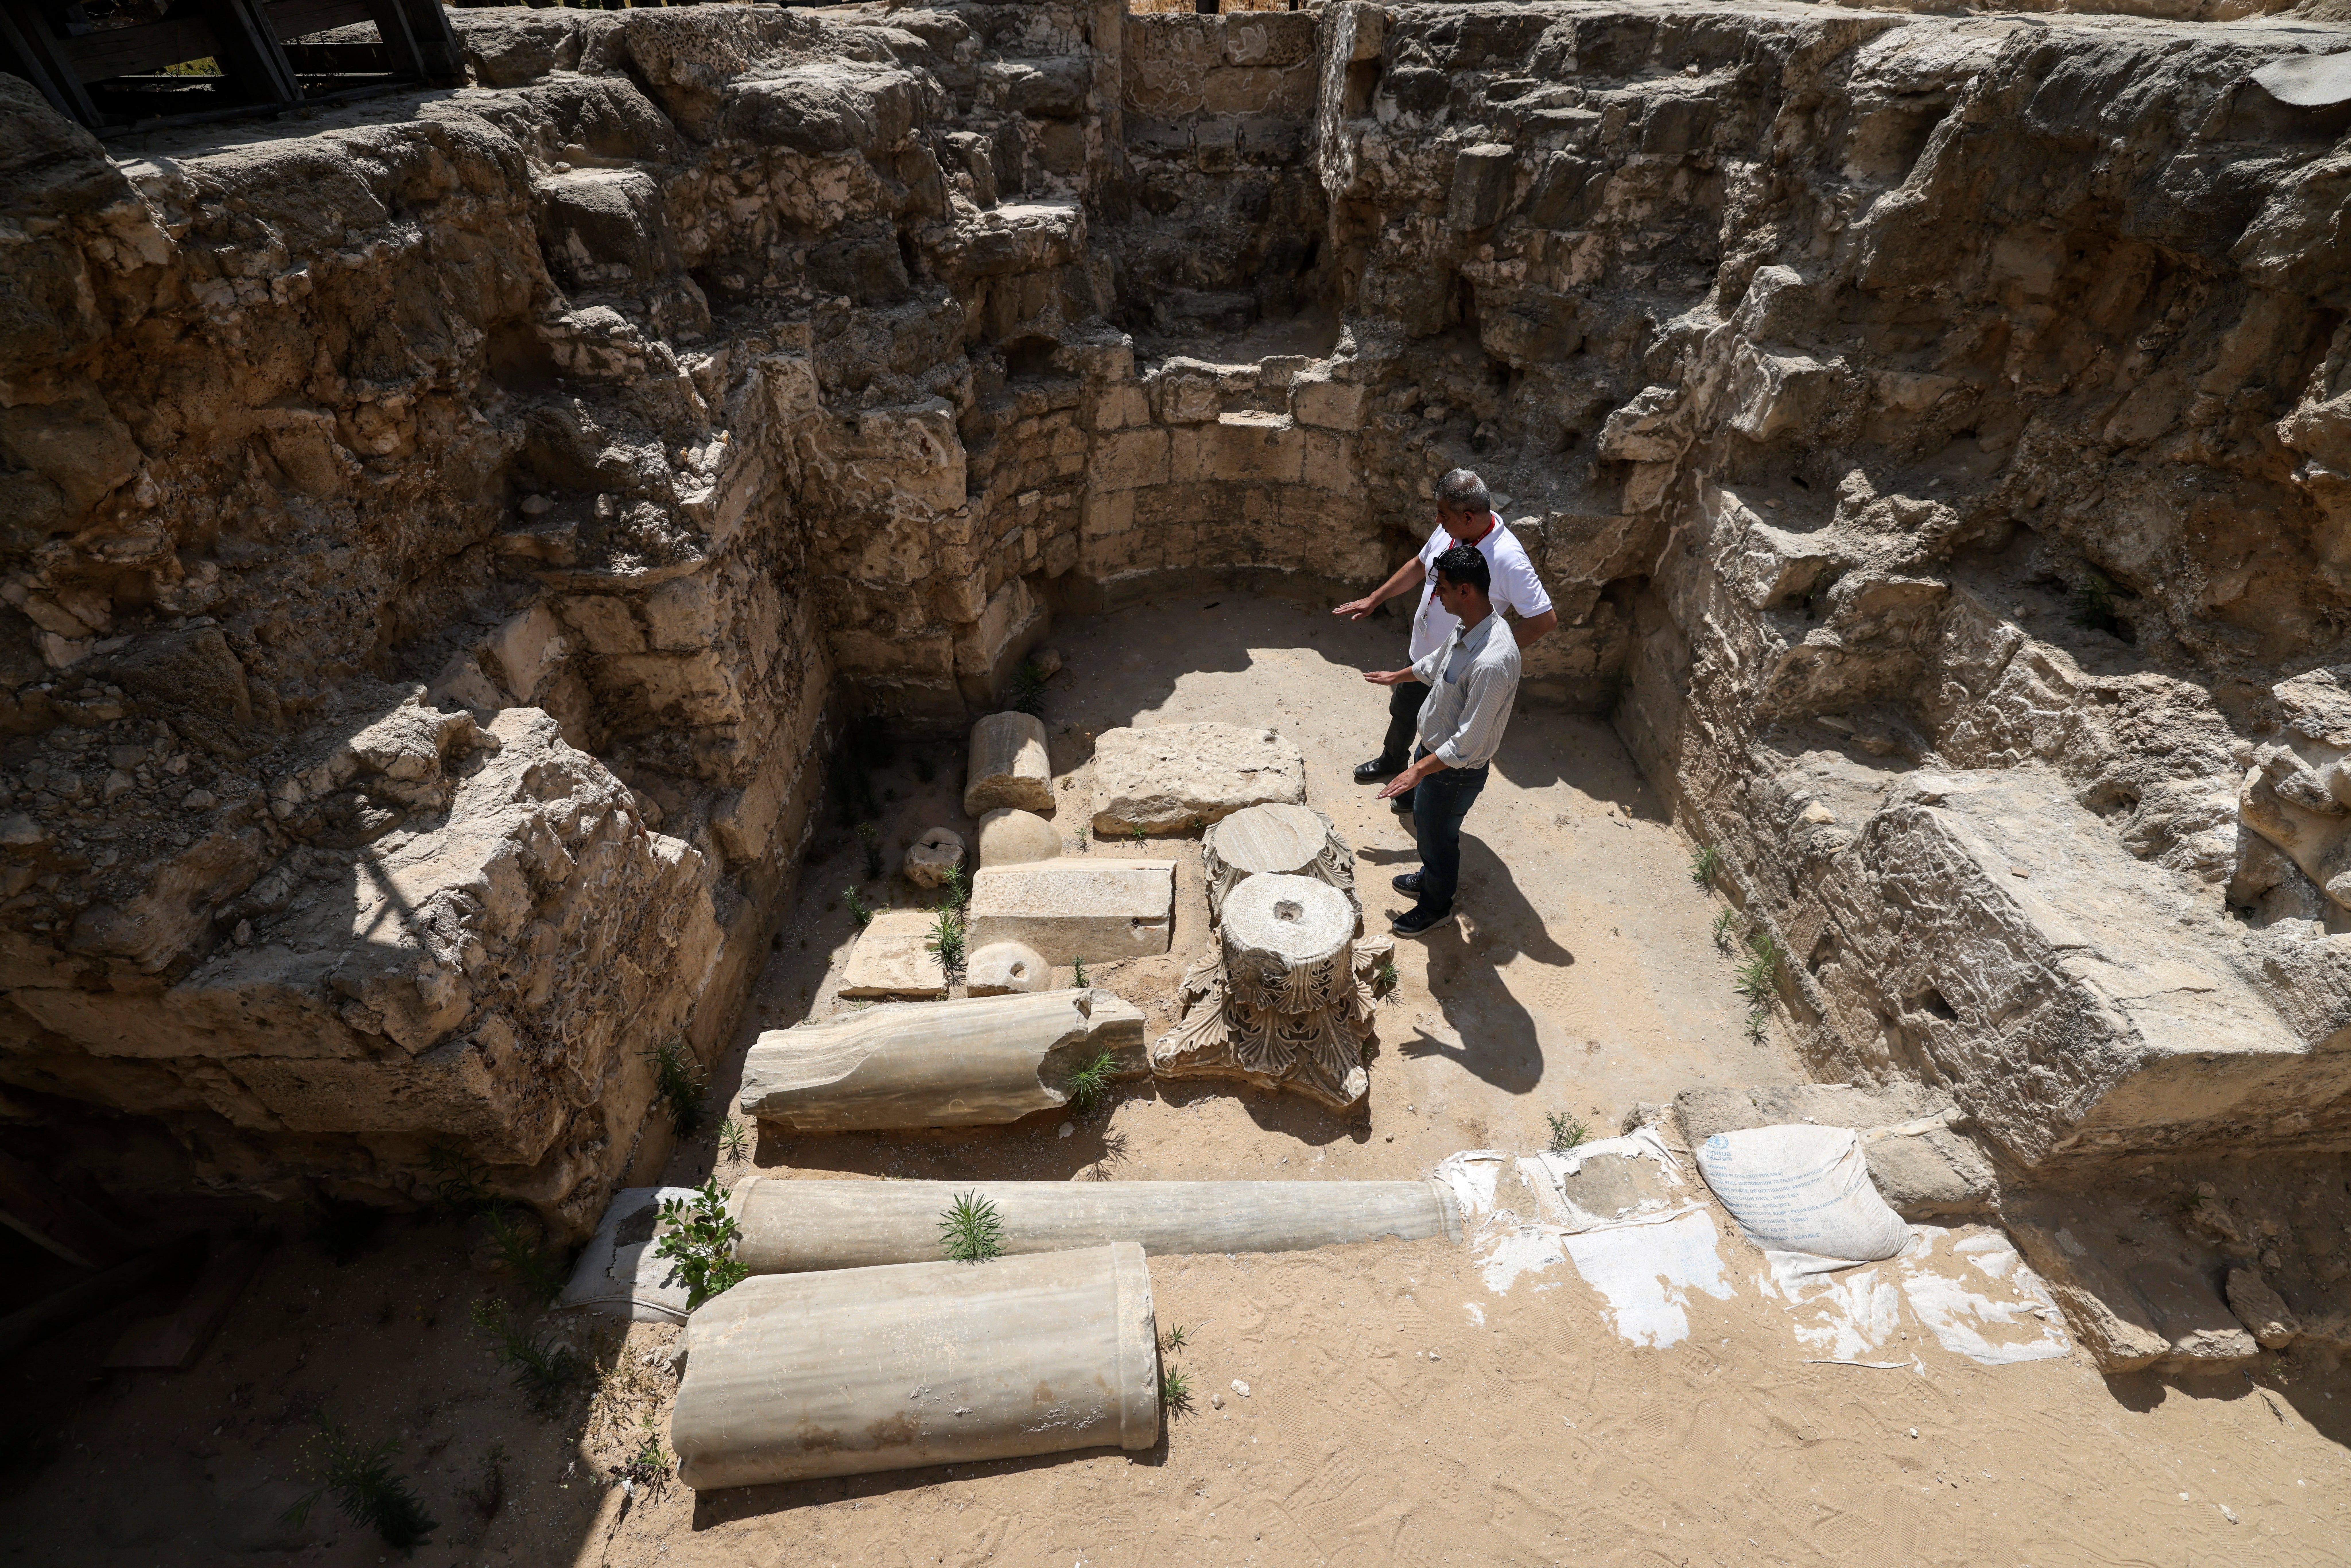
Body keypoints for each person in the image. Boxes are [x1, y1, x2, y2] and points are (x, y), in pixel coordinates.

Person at [1332, 467, 1554, 812]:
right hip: (1422, 654)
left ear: (1468, 516)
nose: (1437, 520)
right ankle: (1392, 762)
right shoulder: (1450, 529)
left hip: (1456, 671)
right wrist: (1375, 598)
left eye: (1443, 514)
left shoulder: (1508, 560)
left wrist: (1481, 655)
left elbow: (1543, 619)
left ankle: (1413, 794)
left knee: (1438, 736)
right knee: (1404, 712)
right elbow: (1420, 565)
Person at [1364, 545, 1521, 936]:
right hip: (1433, 754)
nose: (1438, 596)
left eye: (1444, 589)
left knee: (1438, 837)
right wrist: (1395, 677)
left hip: (1452, 772)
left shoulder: (1492, 662)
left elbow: (1467, 743)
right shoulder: (1469, 624)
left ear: (1465, 591)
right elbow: (1435, 666)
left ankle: (1436, 907)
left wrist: (1417, 770)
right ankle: (1430, 876)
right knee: (1426, 825)